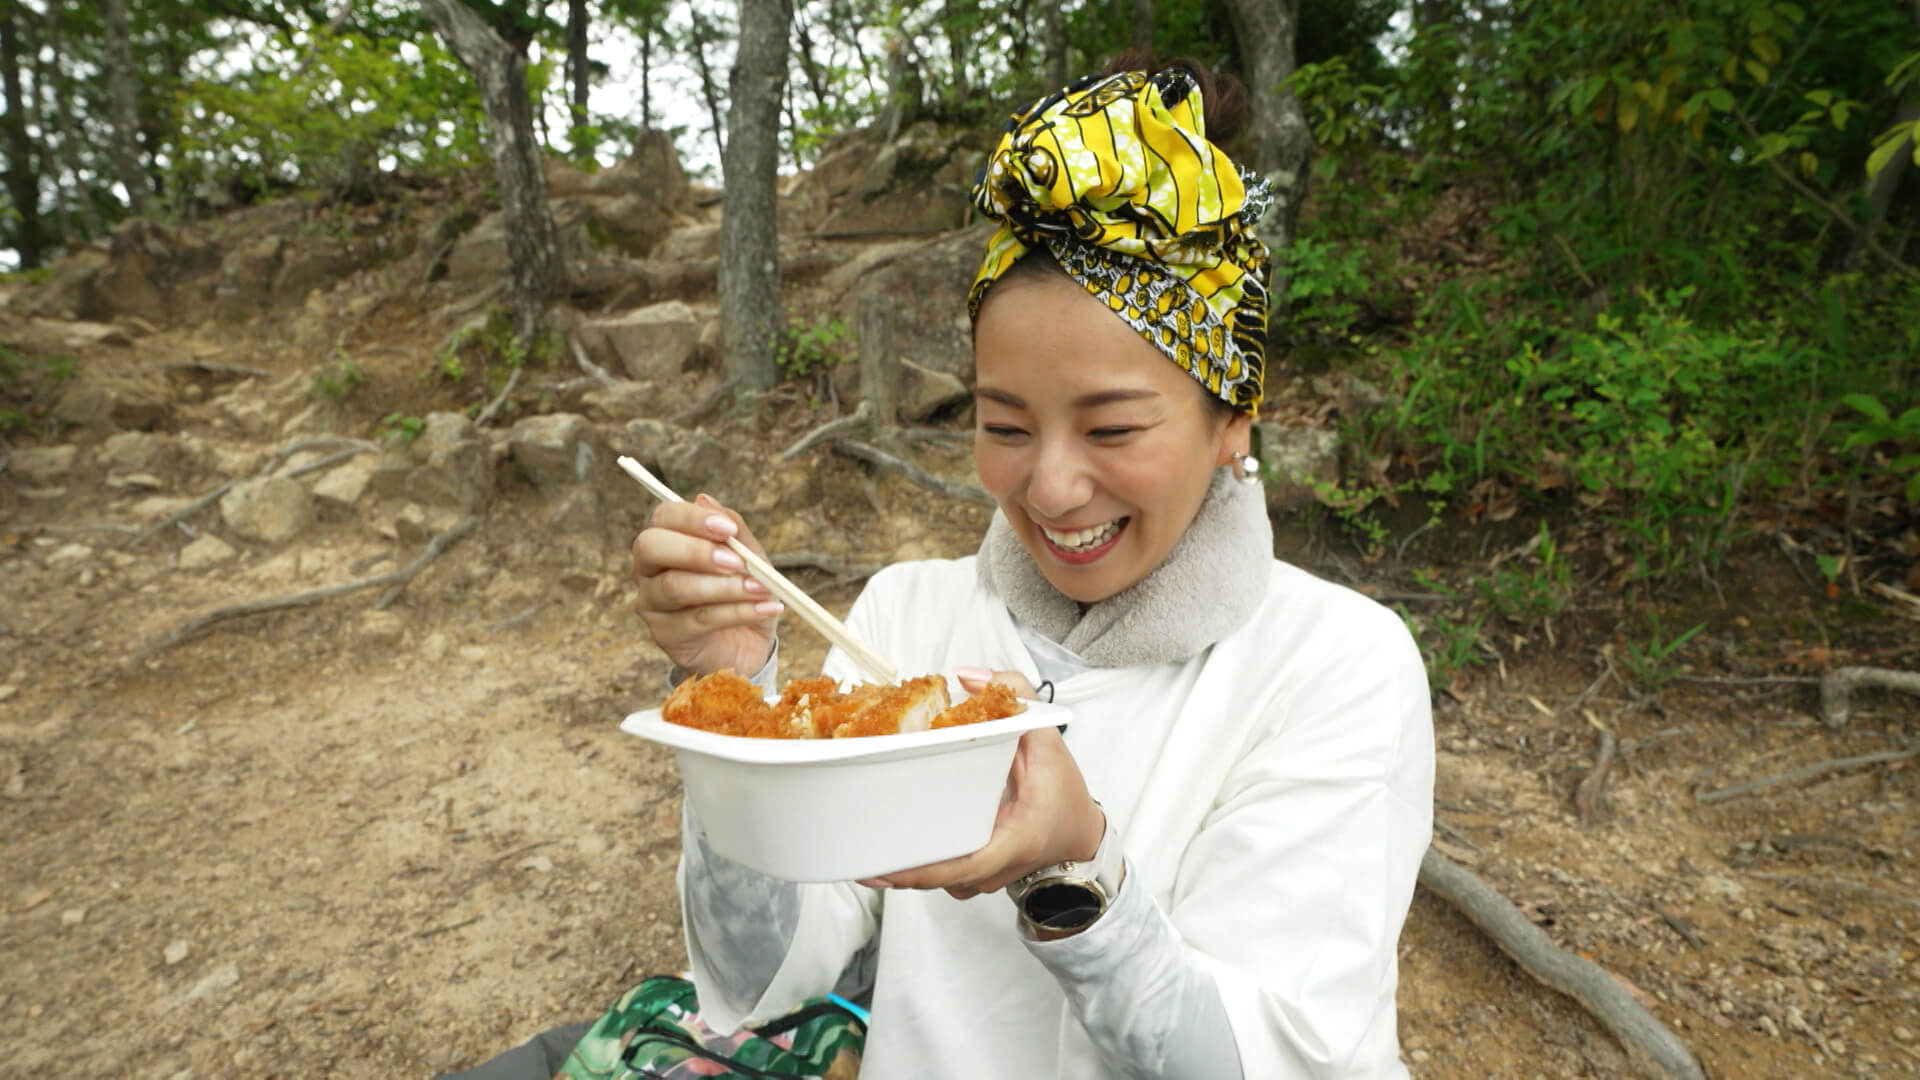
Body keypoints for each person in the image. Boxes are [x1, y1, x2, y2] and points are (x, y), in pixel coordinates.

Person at [450, 55, 1433, 1079]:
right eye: (1004, 423)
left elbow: (1269, 1061)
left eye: (1112, 427)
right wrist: (730, 691)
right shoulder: (907, 621)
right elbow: (763, 978)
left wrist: (1073, 869)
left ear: (1234, 417)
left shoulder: (1331, 667)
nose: (1051, 486)